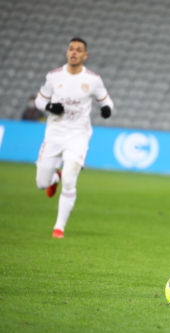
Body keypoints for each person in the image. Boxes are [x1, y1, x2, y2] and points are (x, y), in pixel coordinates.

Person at [34, 37, 114, 238]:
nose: (74, 52)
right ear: (67, 52)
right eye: (71, 49)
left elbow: (107, 102)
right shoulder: (53, 77)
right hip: (54, 135)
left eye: (79, 50)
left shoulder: (93, 79)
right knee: (41, 183)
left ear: (85, 55)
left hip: (78, 136)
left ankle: (58, 228)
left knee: (70, 179)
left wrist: (106, 109)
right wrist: (49, 106)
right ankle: (54, 177)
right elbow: (39, 101)